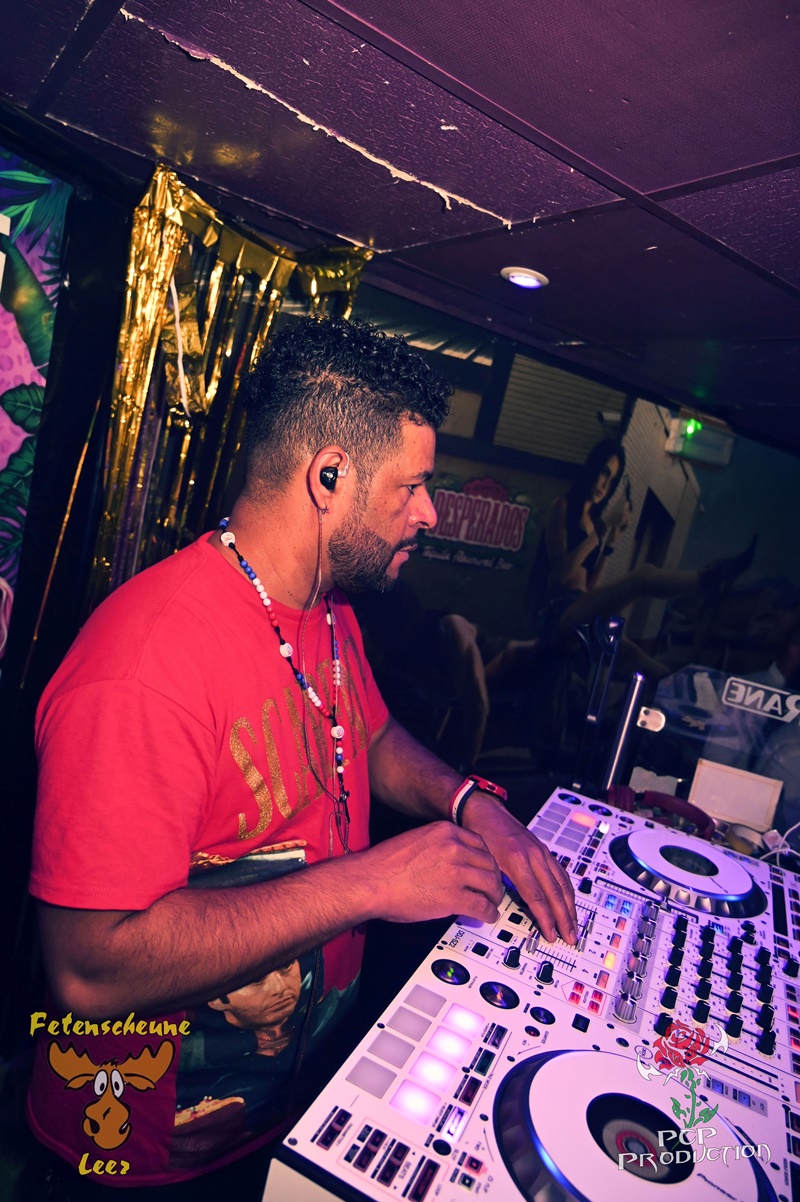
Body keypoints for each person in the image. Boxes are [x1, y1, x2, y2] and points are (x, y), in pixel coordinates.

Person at [24, 317, 577, 1199]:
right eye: (413, 487)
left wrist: (471, 803)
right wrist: (372, 882)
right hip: (140, 1154)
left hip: (285, 1114)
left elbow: (373, 736)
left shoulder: (325, 605)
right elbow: (90, 970)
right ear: (329, 477)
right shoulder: (143, 667)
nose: (430, 513)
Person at [538, 439, 756, 679]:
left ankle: (678, 684)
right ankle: (710, 579)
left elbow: (590, 586)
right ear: (593, 466)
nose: (606, 485)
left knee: (631, 655)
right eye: (604, 473)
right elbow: (561, 574)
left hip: (581, 609)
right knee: (642, 577)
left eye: (612, 480)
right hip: (559, 615)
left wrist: (610, 544)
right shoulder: (562, 506)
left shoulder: (594, 522)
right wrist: (603, 528)